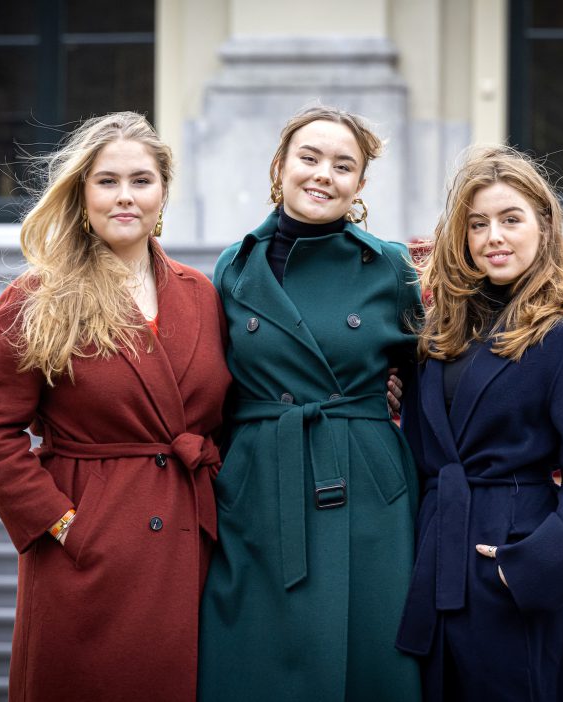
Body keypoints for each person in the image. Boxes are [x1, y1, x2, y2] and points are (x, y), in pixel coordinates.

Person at [0, 112, 231, 701]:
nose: (126, 196)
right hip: (87, 555)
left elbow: (225, 409)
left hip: (188, 545)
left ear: (164, 193)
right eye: (107, 181)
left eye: (142, 180)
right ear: (82, 194)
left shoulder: (201, 292)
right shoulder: (38, 295)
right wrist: (62, 523)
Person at [197, 106, 423, 701]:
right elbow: (213, 380)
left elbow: (432, 368)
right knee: (254, 654)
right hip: (259, 478)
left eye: (343, 165)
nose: (324, 174)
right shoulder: (234, 266)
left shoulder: (392, 266)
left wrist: (394, 392)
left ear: (360, 184)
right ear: (280, 166)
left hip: (365, 484)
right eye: (310, 157)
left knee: (367, 650)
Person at [395, 145, 563, 701]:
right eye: (478, 224)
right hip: (434, 561)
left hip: (513, 569)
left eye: (510, 219)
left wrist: (526, 570)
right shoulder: (437, 338)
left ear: (544, 228)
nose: (493, 236)